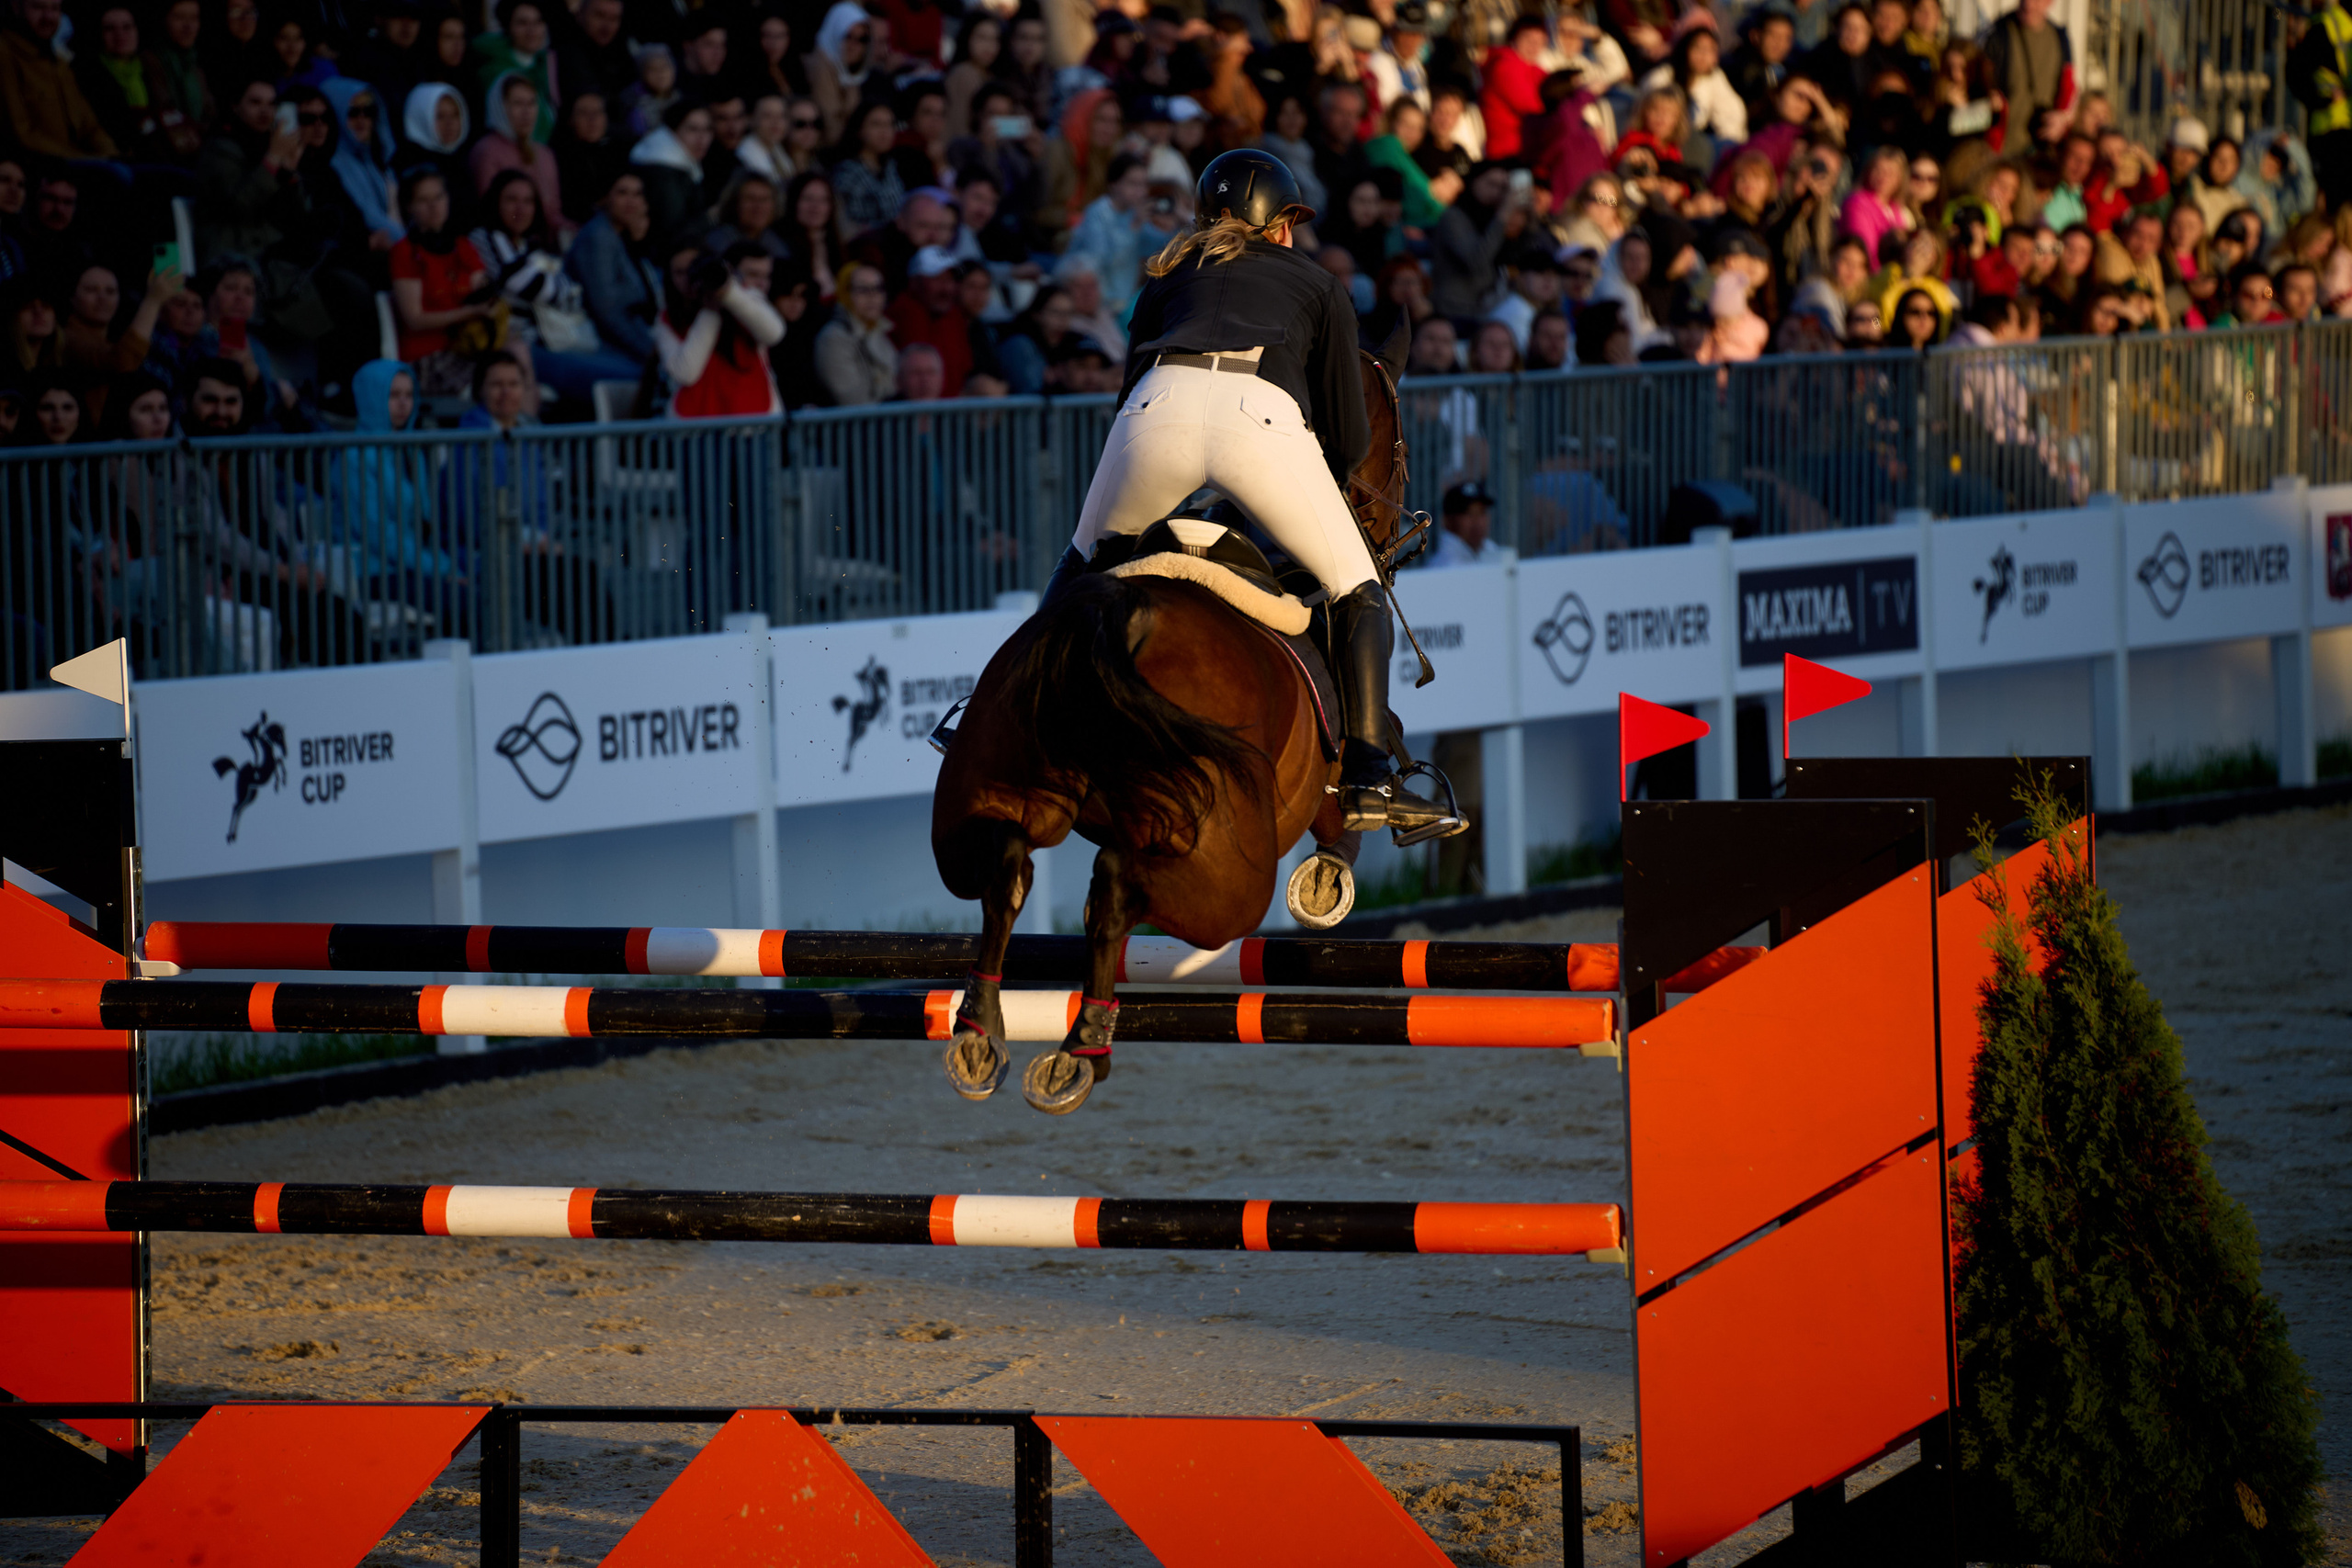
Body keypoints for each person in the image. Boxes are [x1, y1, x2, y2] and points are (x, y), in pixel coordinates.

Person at [1051, 149, 1458, 837]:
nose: (1294, 234)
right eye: (1290, 220)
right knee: (1357, 588)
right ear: (1275, 224)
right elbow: (1350, 439)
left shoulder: (1166, 278)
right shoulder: (1317, 281)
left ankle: (1016, 713)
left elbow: (1129, 392)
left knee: (1082, 563)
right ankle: (1365, 776)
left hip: (1154, 413)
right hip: (1258, 419)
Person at [388, 167, 493, 395]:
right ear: (409, 207)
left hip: (468, 348)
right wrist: (471, 311)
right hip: (427, 359)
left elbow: (483, 292)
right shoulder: (404, 253)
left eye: (438, 197)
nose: (434, 206)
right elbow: (415, 319)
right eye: (423, 200)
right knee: (500, 373)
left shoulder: (463, 246)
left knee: (514, 358)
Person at [814, 259, 897, 404]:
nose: (873, 296)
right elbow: (853, 400)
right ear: (846, 293)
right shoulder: (833, 339)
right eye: (863, 290)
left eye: (878, 289)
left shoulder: (879, 331)